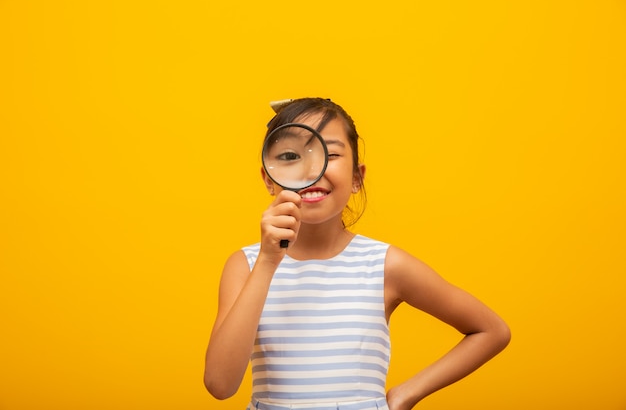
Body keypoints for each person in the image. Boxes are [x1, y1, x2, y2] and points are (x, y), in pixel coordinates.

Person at [204, 97, 511, 410]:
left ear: (356, 177)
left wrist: (407, 393)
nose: (312, 168)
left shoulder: (384, 264)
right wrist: (269, 261)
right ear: (269, 179)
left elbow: (491, 331)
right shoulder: (246, 265)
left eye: (330, 153)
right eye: (290, 155)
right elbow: (219, 384)